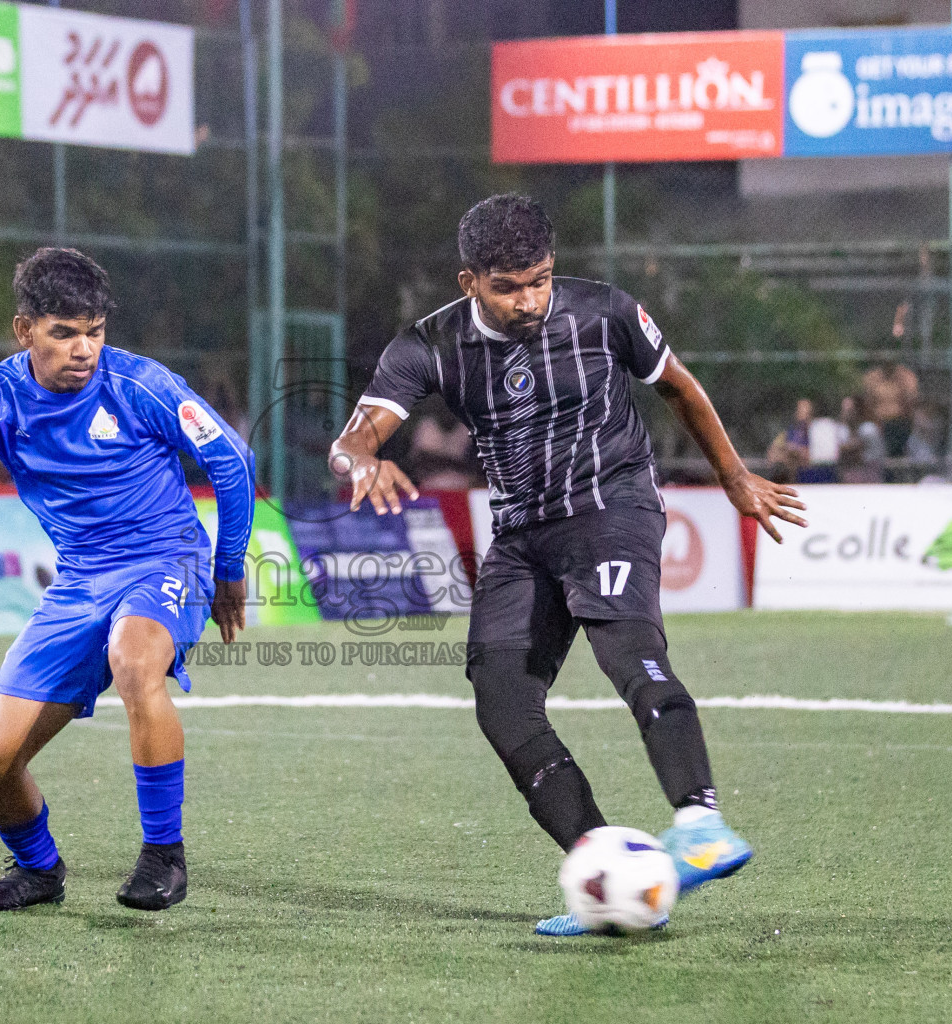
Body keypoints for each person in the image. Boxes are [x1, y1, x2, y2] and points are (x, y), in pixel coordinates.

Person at [328, 195, 806, 936]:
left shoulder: (605, 312)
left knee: (628, 649)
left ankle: (700, 820)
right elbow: (358, 434)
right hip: (521, 535)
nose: (529, 300)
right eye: (509, 287)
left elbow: (679, 386)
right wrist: (360, 458)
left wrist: (735, 476)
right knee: (501, 701)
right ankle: (606, 873)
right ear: (469, 282)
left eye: (540, 280)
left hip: (611, 505)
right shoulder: (428, 345)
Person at [0, 248, 255, 913]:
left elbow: (234, 461)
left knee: (135, 663)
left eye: (95, 331)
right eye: (65, 333)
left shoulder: (141, 385)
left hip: (166, 560)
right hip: (79, 582)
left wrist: (226, 569)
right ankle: (38, 870)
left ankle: (165, 855)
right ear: (25, 331)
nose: (85, 349)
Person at [861, 360, 919, 459]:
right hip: (877, 425)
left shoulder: (906, 376)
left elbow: (911, 401)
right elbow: (867, 402)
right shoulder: (872, 377)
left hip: (900, 425)